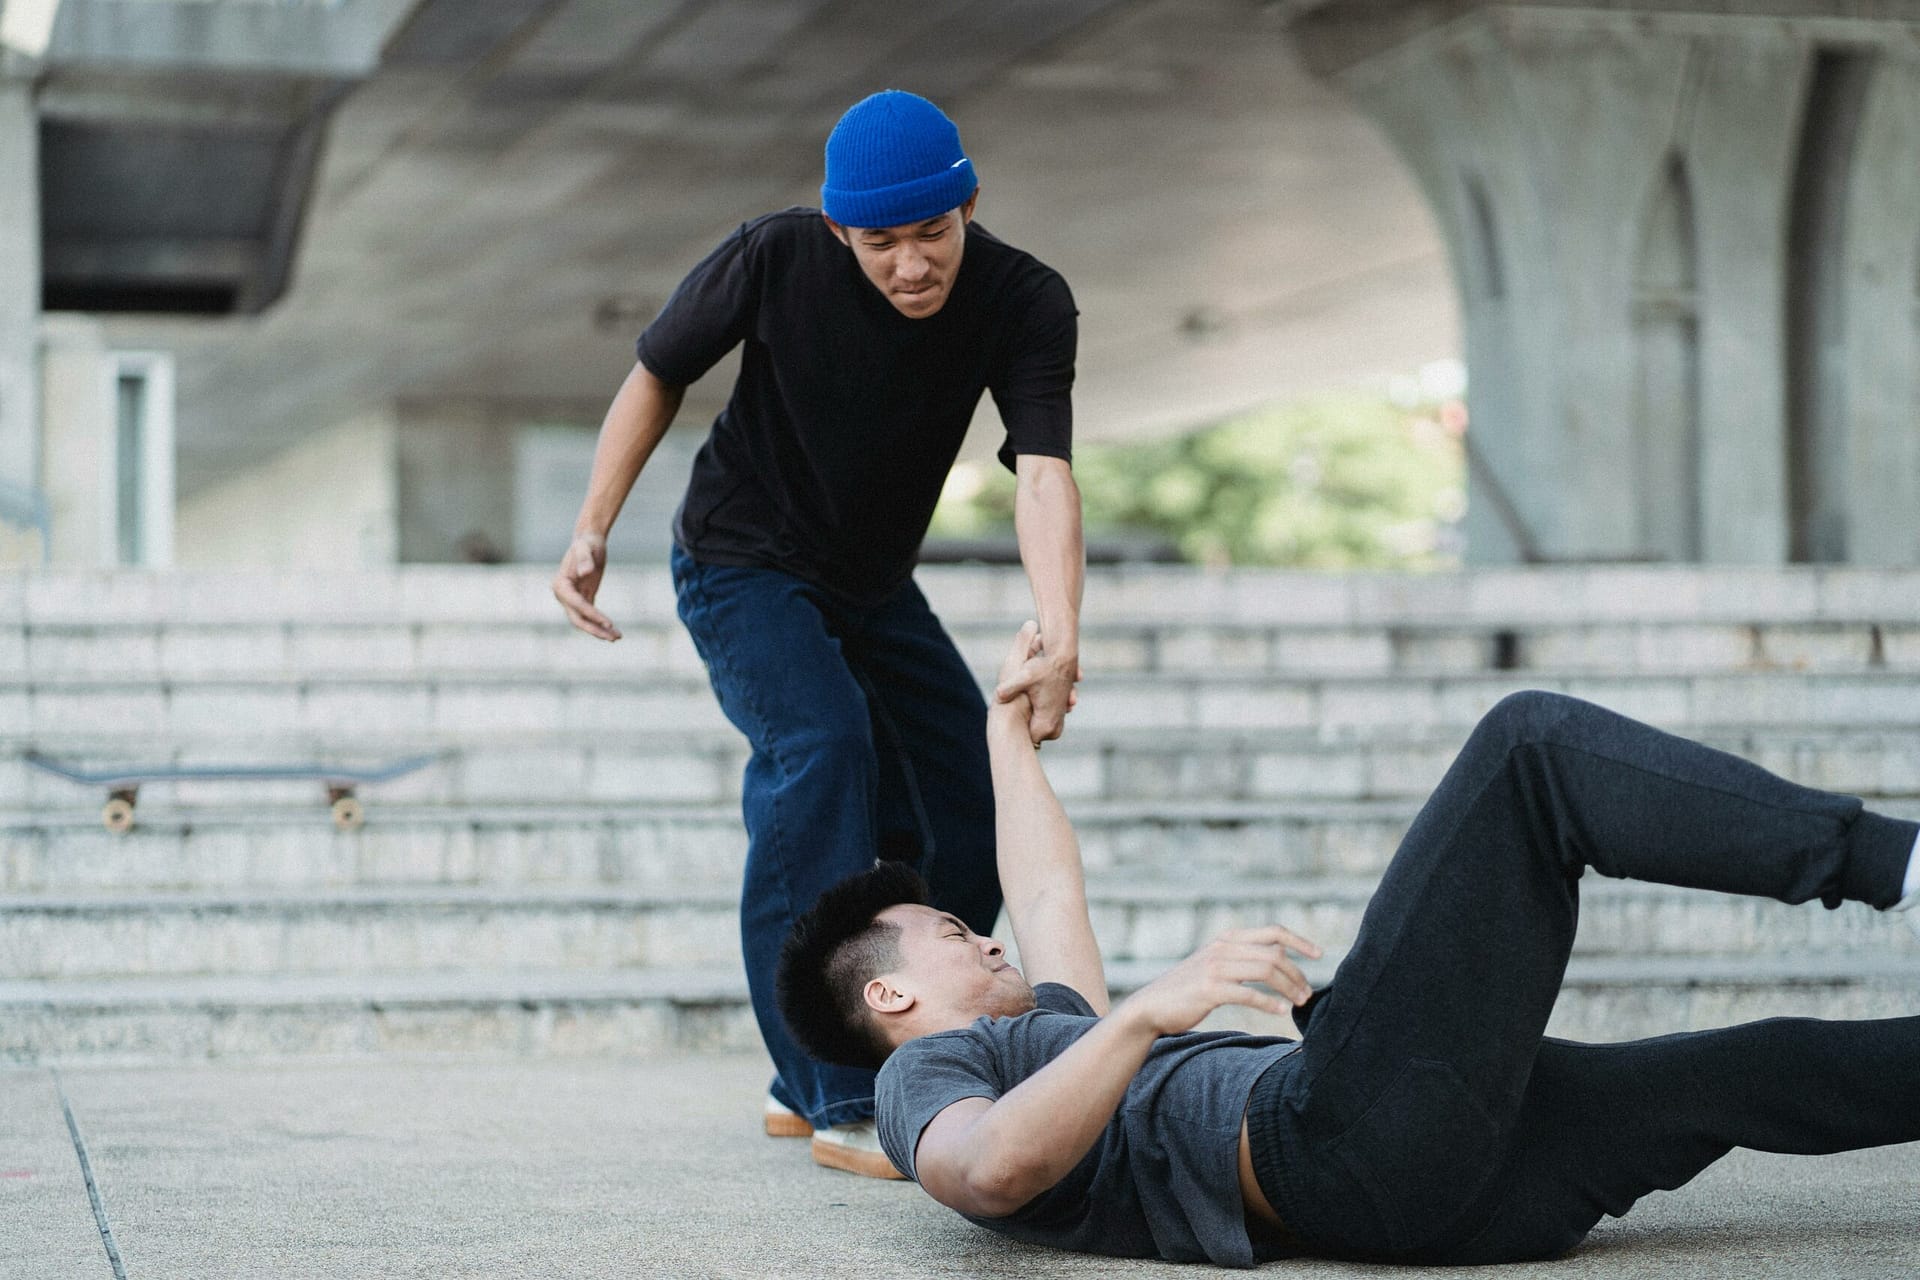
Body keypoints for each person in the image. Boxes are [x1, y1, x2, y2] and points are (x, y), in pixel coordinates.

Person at [776, 622, 1920, 1266]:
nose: (988, 938)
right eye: (951, 933)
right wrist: (1147, 1009)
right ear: (890, 995)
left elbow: (1045, 883)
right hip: (1337, 1139)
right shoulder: (926, 1077)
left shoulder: (1049, 1032)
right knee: (1528, 751)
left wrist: (1003, 730)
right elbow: (987, 1167)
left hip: (1455, 1194)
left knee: (1755, 1066)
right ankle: (1894, 859)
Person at [553, 91, 1085, 1179]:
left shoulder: (1027, 299)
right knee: (822, 747)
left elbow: (1042, 472)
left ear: (969, 205)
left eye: (932, 234)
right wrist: (592, 525)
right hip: (739, 561)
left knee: (970, 784)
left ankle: (908, 1037)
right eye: (881, 243)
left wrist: (1060, 633)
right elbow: (657, 371)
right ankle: (832, 1085)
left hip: (872, 584)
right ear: (841, 230)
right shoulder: (773, 256)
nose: (911, 267)